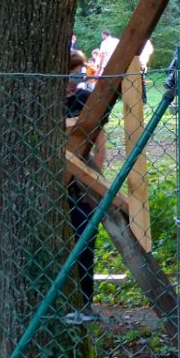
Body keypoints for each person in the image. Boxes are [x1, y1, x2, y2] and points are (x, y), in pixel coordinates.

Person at [64, 49, 102, 324]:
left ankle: (85, 303)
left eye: (78, 73)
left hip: (82, 183)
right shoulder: (44, 101)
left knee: (85, 240)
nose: (74, 79)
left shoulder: (86, 99)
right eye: (70, 73)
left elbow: (100, 142)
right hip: (53, 184)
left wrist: (94, 181)